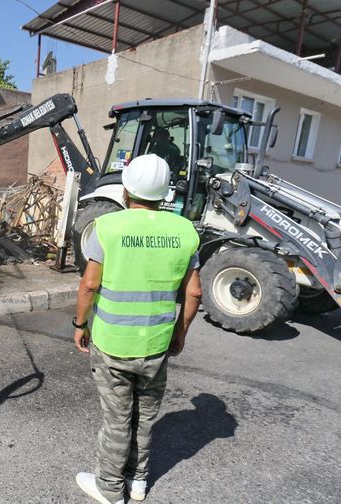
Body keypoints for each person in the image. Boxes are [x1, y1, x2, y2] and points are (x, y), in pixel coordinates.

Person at [72, 153, 203, 504]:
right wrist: (180, 333)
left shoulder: (108, 227)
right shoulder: (185, 231)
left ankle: (110, 489)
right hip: (157, 343)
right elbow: (194, 292)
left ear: (127, 187)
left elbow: (88, 286)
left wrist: (79, 324)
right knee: (144, 417)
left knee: (117, 419)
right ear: (165, 194)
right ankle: (138, 481)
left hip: (113, 342)